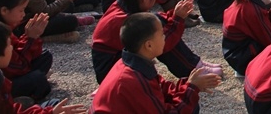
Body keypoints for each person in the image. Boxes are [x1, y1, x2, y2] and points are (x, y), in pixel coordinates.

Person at [92, 0, 221, 84]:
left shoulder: (123, 5)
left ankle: (194, 63)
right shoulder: (122, 19)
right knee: (159, 35)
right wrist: (177, 19)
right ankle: (192, 68)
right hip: (111, 71)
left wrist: (174, 15)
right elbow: (163, 44)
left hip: (117, 62)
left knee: (158, 24)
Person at [90, 11, 220, 114]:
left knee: (190, 102)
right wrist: (191, 89)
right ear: (149, 45)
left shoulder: (131, 63)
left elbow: (161, 87)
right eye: (162, 34)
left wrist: (188, 85)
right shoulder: (133, 79)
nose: (164, 38)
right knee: (190, 104)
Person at [0, 19, 87, 114]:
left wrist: (50, 112)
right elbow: (21, 66)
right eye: (9, 46)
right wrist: (30, 38)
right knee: (38, 80)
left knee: (54, 105)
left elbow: (11, 110)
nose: (11, 48)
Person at [0, 0, 53, 101]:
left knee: (45, 56)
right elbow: (18, 67)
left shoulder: (6, 25)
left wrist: (32, 37)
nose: (23, 14)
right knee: (38, 79)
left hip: (12, 70)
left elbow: (16, 52)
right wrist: (30, 38)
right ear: (4, 10)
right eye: (21, 10)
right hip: (0, 82)